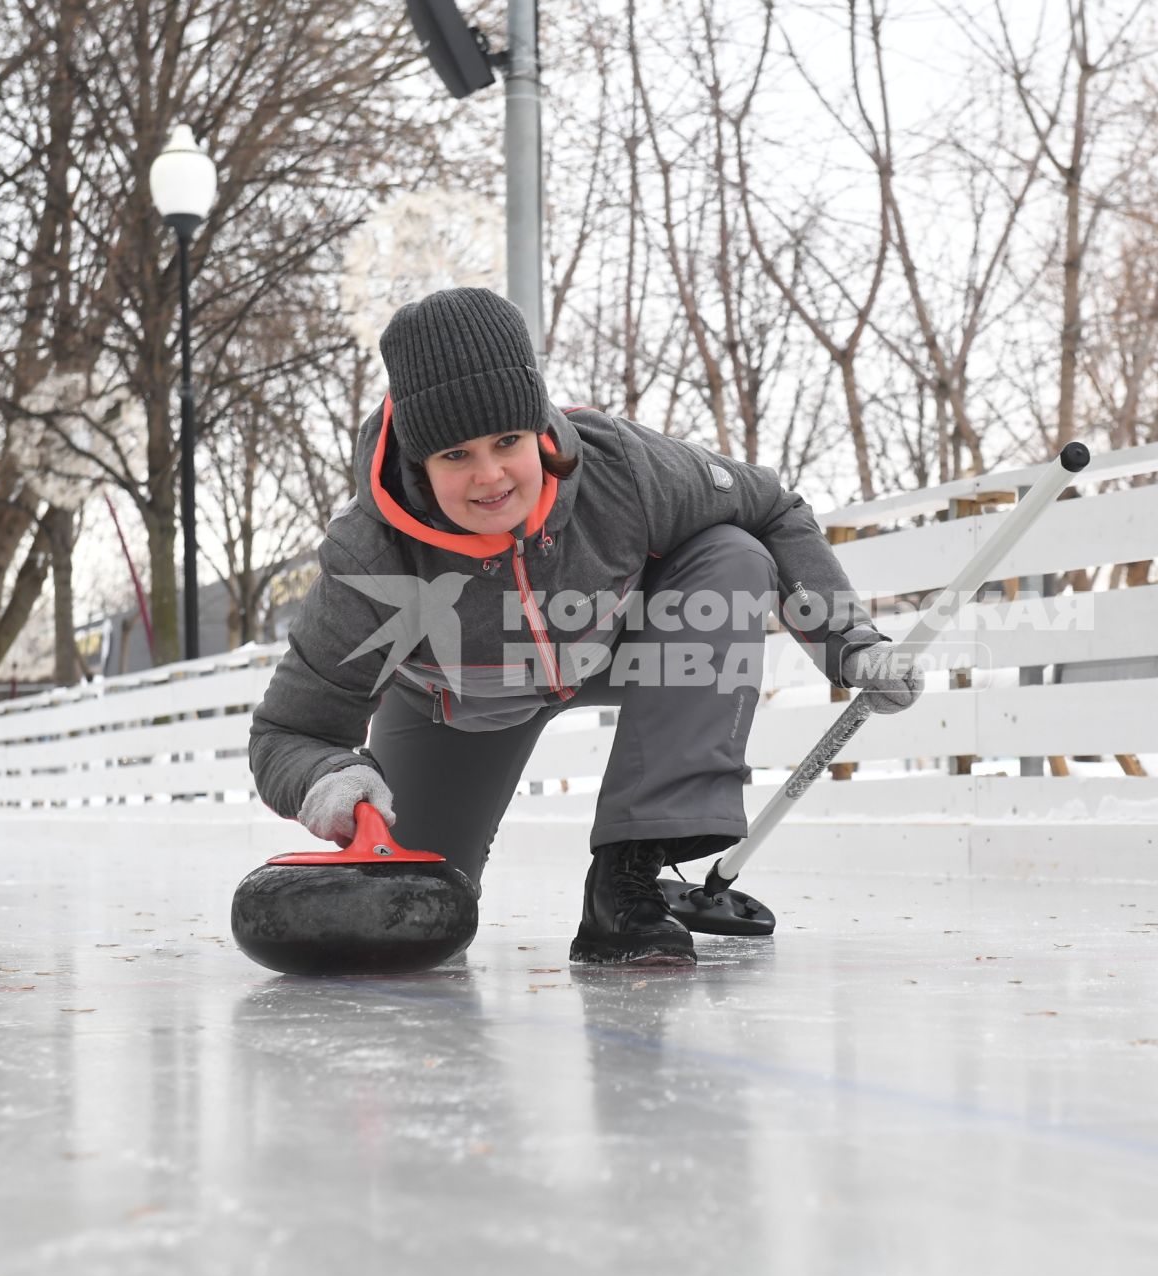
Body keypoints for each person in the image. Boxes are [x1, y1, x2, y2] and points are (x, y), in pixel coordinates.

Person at [248, 287, 921, 967]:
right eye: (455, 456)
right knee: (427, 902)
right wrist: (328, 774)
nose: (490, 477)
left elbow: (771, 507)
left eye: (508, 442)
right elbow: (289, 730)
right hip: (455, 708)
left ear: (537, 426)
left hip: (614, 649)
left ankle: (626, 879)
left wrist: (850, 643)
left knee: (733, 556)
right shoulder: (373, 557)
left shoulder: (620, 469)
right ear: (420, 463)